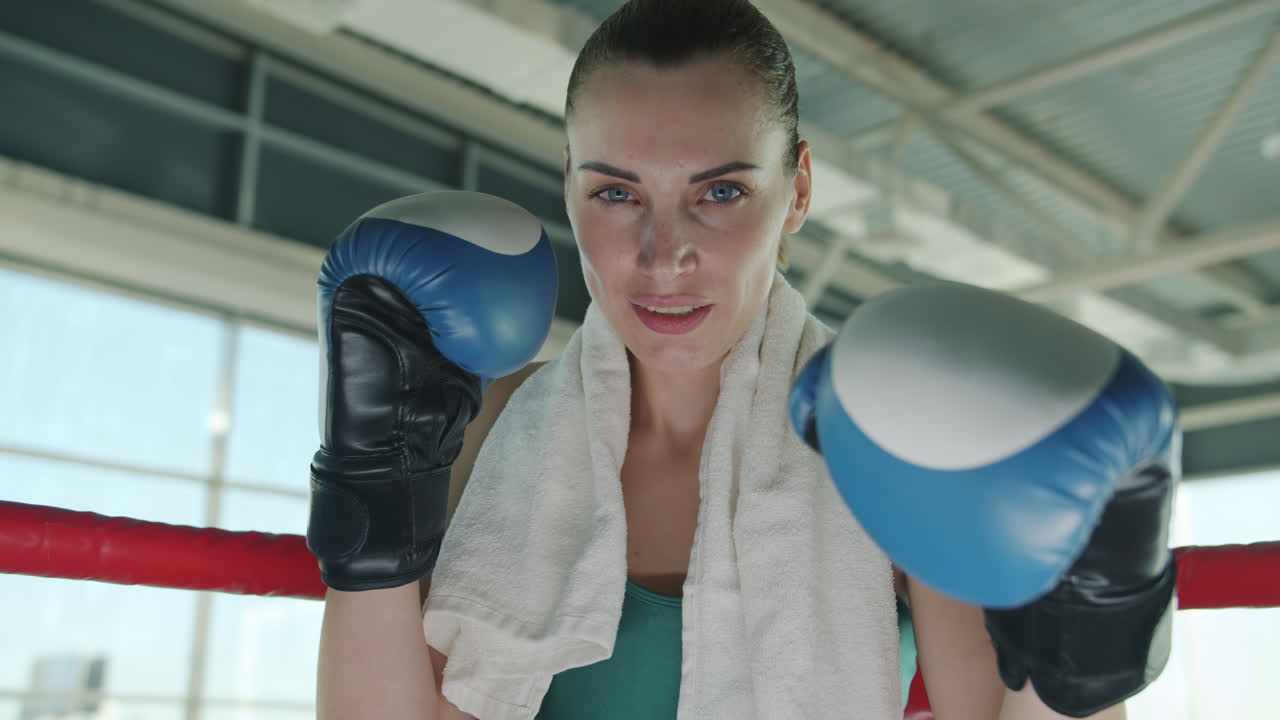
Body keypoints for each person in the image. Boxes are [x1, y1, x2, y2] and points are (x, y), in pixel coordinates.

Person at [311, 1, 1175, 718]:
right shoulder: (487, 424)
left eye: (720, 192)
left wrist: (1086, 641)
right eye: (616, 192)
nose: (663, 254)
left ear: (797, 190)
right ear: (568, 180)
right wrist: (369, 483)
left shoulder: (880, 439)